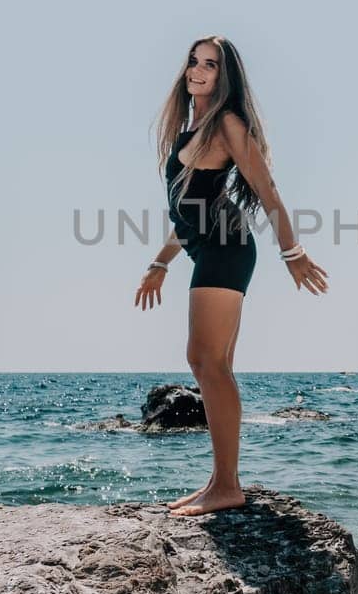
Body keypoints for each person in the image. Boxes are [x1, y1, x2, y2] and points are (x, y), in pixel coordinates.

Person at [134, 35, 329, 516]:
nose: (198, 70)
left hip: (226, 249)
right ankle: (220, 481)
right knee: (211, 363)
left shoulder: (226, 124)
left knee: (206, 361)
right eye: (193, 61)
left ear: (226, 78)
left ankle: (226, 486)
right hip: (207, 246)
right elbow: (191, 213)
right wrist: (159, 263)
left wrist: (293, 252)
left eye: (211, 65)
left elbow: (268, 191)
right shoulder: (189, 128)